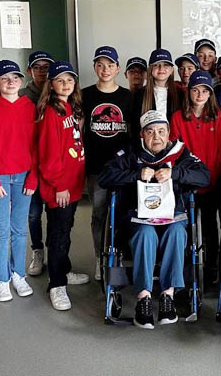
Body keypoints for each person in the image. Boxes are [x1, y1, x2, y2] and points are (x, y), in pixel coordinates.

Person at [98, 110, 210, 329]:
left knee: (177, 232)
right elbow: (105, 177)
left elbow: (204, 177)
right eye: (150, 132)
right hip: (140, 219)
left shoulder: (180, 154)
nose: (156, 136)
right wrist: (136, 174)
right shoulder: (131, 155)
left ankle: (168, 296)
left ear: (168, 133)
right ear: (142, 135)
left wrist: (175, 173)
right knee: (145, 234)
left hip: (173, 217)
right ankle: (144, 297)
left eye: (161, 131)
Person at [0, 60, 37, 302]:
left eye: (15, 77)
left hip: (24, 176)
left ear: (21, 80)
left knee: (19, 229)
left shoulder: (29, 107)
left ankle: (18, 274)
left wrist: (33, 177)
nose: (10, 81)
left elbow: (37, 146)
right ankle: (1, 279)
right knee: (1, 231)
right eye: (4, 78)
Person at [170, 70, 221, 284]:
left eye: (205, 90)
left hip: (211, 181)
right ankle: (188, 268)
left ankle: (212, 267)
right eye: (195, 90)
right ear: (189, 92)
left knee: (211, 227)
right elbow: (175, 150)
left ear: (210, 94)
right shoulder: (178, 117)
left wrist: (211, 175)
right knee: (186, 225)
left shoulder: (217, 116)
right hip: (187, 182)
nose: (200, 94)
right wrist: (188, 177)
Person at [37, 61, 87, 311]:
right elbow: (48, 155)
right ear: (51, 84)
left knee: (65, 231)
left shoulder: (70, 107)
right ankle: (56, 285)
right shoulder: (50, 113)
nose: (66, 84)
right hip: (60, 188)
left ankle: (64, 272)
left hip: (73, 184)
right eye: (60, 80)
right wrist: (59, 185)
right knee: (57, 236)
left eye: (70, 80)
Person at [82, 46, 131, 280]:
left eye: (110, 65)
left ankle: (117, 255)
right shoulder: (84, 95)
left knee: (122, 213)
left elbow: (133, 133)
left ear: (118, 69)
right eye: (100, 65)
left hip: (121, 169)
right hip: (95, 167)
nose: (105, 69)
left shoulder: (127, 97)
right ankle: (100, 257)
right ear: (94, 68)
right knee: (100, 214)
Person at [19, 51, 55, 277]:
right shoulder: (22, 96)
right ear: (29, 71)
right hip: (28, 163)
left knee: (54, 213)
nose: (42, 71)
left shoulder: (59, 91)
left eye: (46, 67)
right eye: (37, 67)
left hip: (51, 163)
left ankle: (56, 254)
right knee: (33, 213)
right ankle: (37, 250)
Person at [131, 49, 183, 140]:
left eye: (165, 65)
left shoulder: (180, 94)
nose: (161, 69)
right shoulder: (140, 95)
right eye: (156, 65)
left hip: (173, 146)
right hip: (147, 146)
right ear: (150, 69)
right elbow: (135, 126)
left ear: (171, 70)